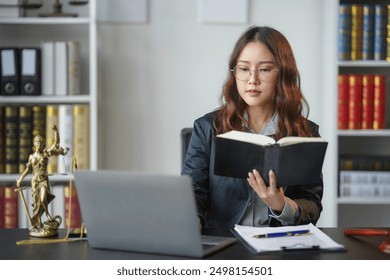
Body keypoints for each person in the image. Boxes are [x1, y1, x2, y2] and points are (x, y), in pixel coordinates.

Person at [182, 26, 323, 230]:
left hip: (279, 247)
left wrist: (282, 206)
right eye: (244, 68)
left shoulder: (305, 133)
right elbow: (192, 192)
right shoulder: (207, 128)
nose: (252, 79)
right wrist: (189, 225)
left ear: (283, 73)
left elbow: (312, 205)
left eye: (264, 69)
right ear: (234, 72)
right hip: (224, 245)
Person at [16, 125, 69, 237]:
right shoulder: (31, 156)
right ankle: (38, 224)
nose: (38, 145)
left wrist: (56, 131)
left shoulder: (46, 153)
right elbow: (28, 169)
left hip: (44, 180)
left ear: (43, 144)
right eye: (37, 143)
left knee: (43, 198)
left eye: (40, 143)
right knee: (36, 204)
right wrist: (20, 179)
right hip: (35, 181)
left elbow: (56, 144)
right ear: (34, 144)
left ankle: (49, 216)